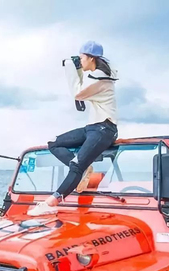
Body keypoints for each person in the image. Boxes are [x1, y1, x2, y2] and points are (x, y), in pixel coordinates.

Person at [28, 40, 118, 216]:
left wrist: (70, 67)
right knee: (54, 143)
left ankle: (51, 202)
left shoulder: (100, 77)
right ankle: (83, 168)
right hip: (93, 127)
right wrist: (77, 68)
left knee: (76, 164)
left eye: (81, 57)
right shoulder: (95, 75)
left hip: (104, 129)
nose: (80, 60)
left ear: (91, 58)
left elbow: (78, 92)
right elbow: (82, 85)